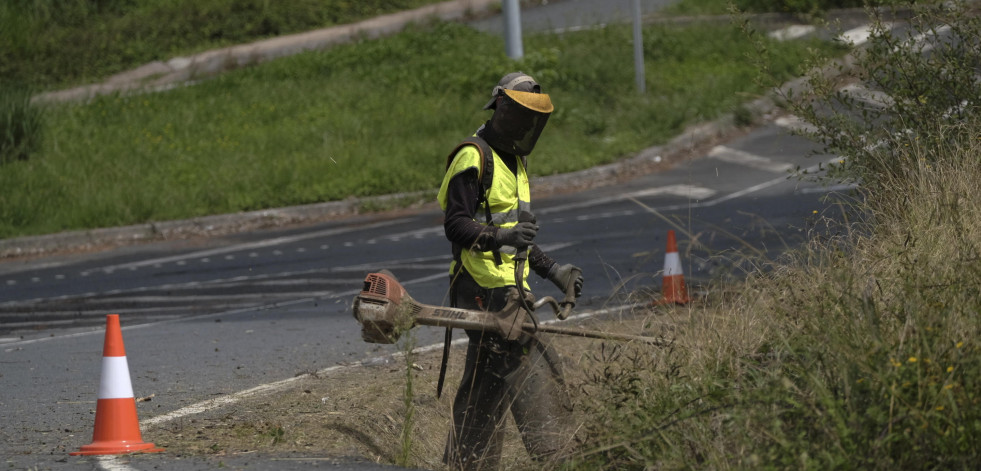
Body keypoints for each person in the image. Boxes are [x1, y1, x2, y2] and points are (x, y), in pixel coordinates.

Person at [436, 72, 585, 470]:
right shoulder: (474, 156)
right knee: (528, 359)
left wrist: (553, 270)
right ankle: (559, 456)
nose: (525, 126)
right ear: (501, 107)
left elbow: (516, 238)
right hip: (483, 290)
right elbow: (456, 224)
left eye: (531, 119)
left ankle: (466, 463)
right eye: (520, 115)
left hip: (508, 288)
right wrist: (504, 233)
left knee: (485, 384)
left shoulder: (515, 162)